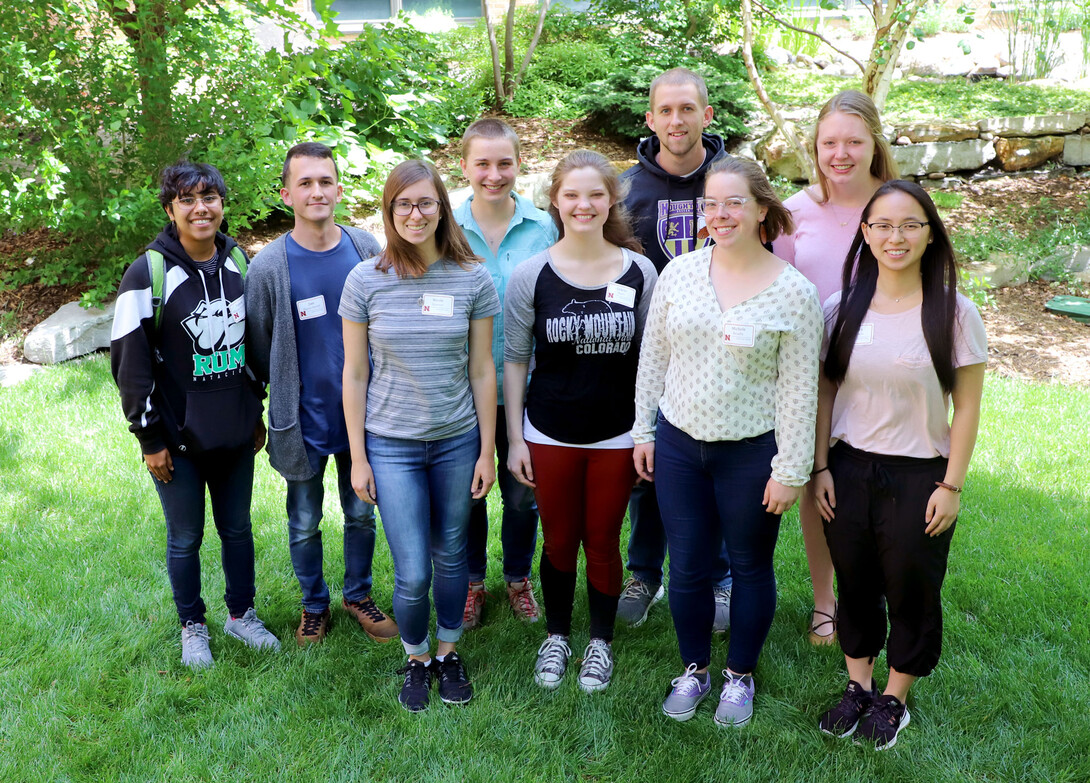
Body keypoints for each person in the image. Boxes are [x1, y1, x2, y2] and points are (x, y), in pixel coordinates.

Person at [634, 157, 822, 726]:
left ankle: (738, 676)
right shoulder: (680, 274)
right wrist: (644, 429)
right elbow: (654, 357)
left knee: (748, 565)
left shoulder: (794, 294)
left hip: (750, 453)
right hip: (678, 445)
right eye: (711, 203)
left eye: (734, 202)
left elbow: (799, 389)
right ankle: (694, 669)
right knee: (687, 567)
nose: (720, 214)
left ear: (762, 209)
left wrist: (790, 469)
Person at [813, 180, 986, 750]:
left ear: (929, 234)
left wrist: (951, 485)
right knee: (856, 579)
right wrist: (820, 468)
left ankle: (894, 697)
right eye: (882, 225)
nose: (896, 236)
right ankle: (857, 685)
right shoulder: (841, 307)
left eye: (909, 224)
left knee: (911, 583)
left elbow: (966, 408)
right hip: (849, 467)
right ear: (865, 233)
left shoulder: (954, 312)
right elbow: (824, 395)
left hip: (920, 472)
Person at [340, 159, 499, 712]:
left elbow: (483, 370)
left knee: (452, 556)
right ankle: (416, 657)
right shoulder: (365, 280)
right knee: (411, 571)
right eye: (403, 204)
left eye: (425, 202)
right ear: (389, 212)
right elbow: (355, 373)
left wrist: (487, 448)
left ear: (441, 208)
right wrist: (359, 457)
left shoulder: (471, 277)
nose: (414, 213)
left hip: (457, 441)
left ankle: (449, 652)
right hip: (391, 445)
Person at [111, 160, 279, 668]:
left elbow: (253, 345)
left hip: (233, 432)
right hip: (175, 441)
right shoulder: (149, 273)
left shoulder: (240, 263)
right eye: (187, 200)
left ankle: (242, 614)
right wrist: (149, 439)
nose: (200, 208)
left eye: (210, 197)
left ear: (223, 205)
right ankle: (192, 625)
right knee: (185, 536)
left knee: (238, 528)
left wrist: (255, 409)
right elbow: (129, 363)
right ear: (171, 210)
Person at [505, 150, 657, 693]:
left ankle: (599, 643)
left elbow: (652, 360)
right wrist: (516, 438)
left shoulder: (639, 271)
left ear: (612, 199)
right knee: (558, 539)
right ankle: (557, 636)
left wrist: (647, 434)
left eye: (595, 194)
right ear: (555, 201)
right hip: (549, 429)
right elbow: (516, 358)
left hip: (617, 433)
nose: (583, 204)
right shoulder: (532, 274)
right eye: (572, 194)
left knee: (603, 541)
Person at [247, 142, 397, 647]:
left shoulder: (365, 248)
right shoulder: (269, 266)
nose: (317, 191)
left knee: (361, 512)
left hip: (368, 414)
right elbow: (260, 345)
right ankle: (314, 605)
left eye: (325, 181)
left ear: (338, 188)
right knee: (305, 520)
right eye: (305, 183)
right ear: (287, 194)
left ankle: (358, 594)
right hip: (303, 420)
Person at [772, 90, 899, 646]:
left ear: (875, 144)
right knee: (819, 490)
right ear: (815, 148)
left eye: (853, 141)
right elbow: (771, 295)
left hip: (890, 377)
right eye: (829, 143)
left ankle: (870, 596)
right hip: (815, 379)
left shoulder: (900, 208)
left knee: (884, 493)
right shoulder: (794, 214)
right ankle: (827, 603)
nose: (841, 153)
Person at [618, 67, 732, 630]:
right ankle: (643, 571)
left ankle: (722, 576)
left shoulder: (734, 182)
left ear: (706, 116)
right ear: (650, 118)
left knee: (718, 467)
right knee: (649, 464)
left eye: (687, 109)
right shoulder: (625, 189)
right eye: (665, 110)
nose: (676, 120)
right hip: (645, 354)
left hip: (721, 355)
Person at [453, 119, 558, 629]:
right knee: (468, 492)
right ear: (465, 165)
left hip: (527, 384)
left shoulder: (543, 227)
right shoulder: (444, 224)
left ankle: (517, 577)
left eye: (504, 163)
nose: (493, 175)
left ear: (519, 165)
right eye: (482, 164)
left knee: (521, 494)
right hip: (461, 386)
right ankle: (473, 581)